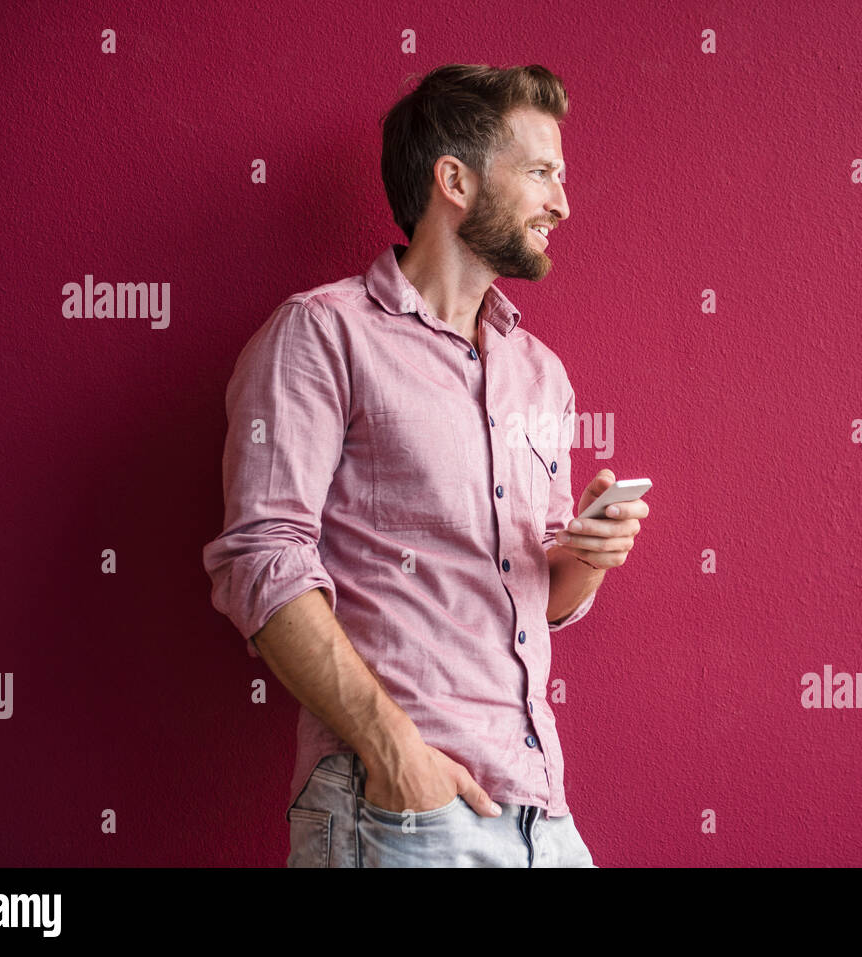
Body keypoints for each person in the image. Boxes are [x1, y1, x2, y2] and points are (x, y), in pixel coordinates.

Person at [201, 63, 649, 867]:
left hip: (542, 814)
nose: (563, 203)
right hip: (401, 813)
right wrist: (397, 754)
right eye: (542, 172)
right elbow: (260, 558)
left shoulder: (540, 372)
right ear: (456, 180)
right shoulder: (322, 332)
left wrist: (587, 554)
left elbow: (543, 600)